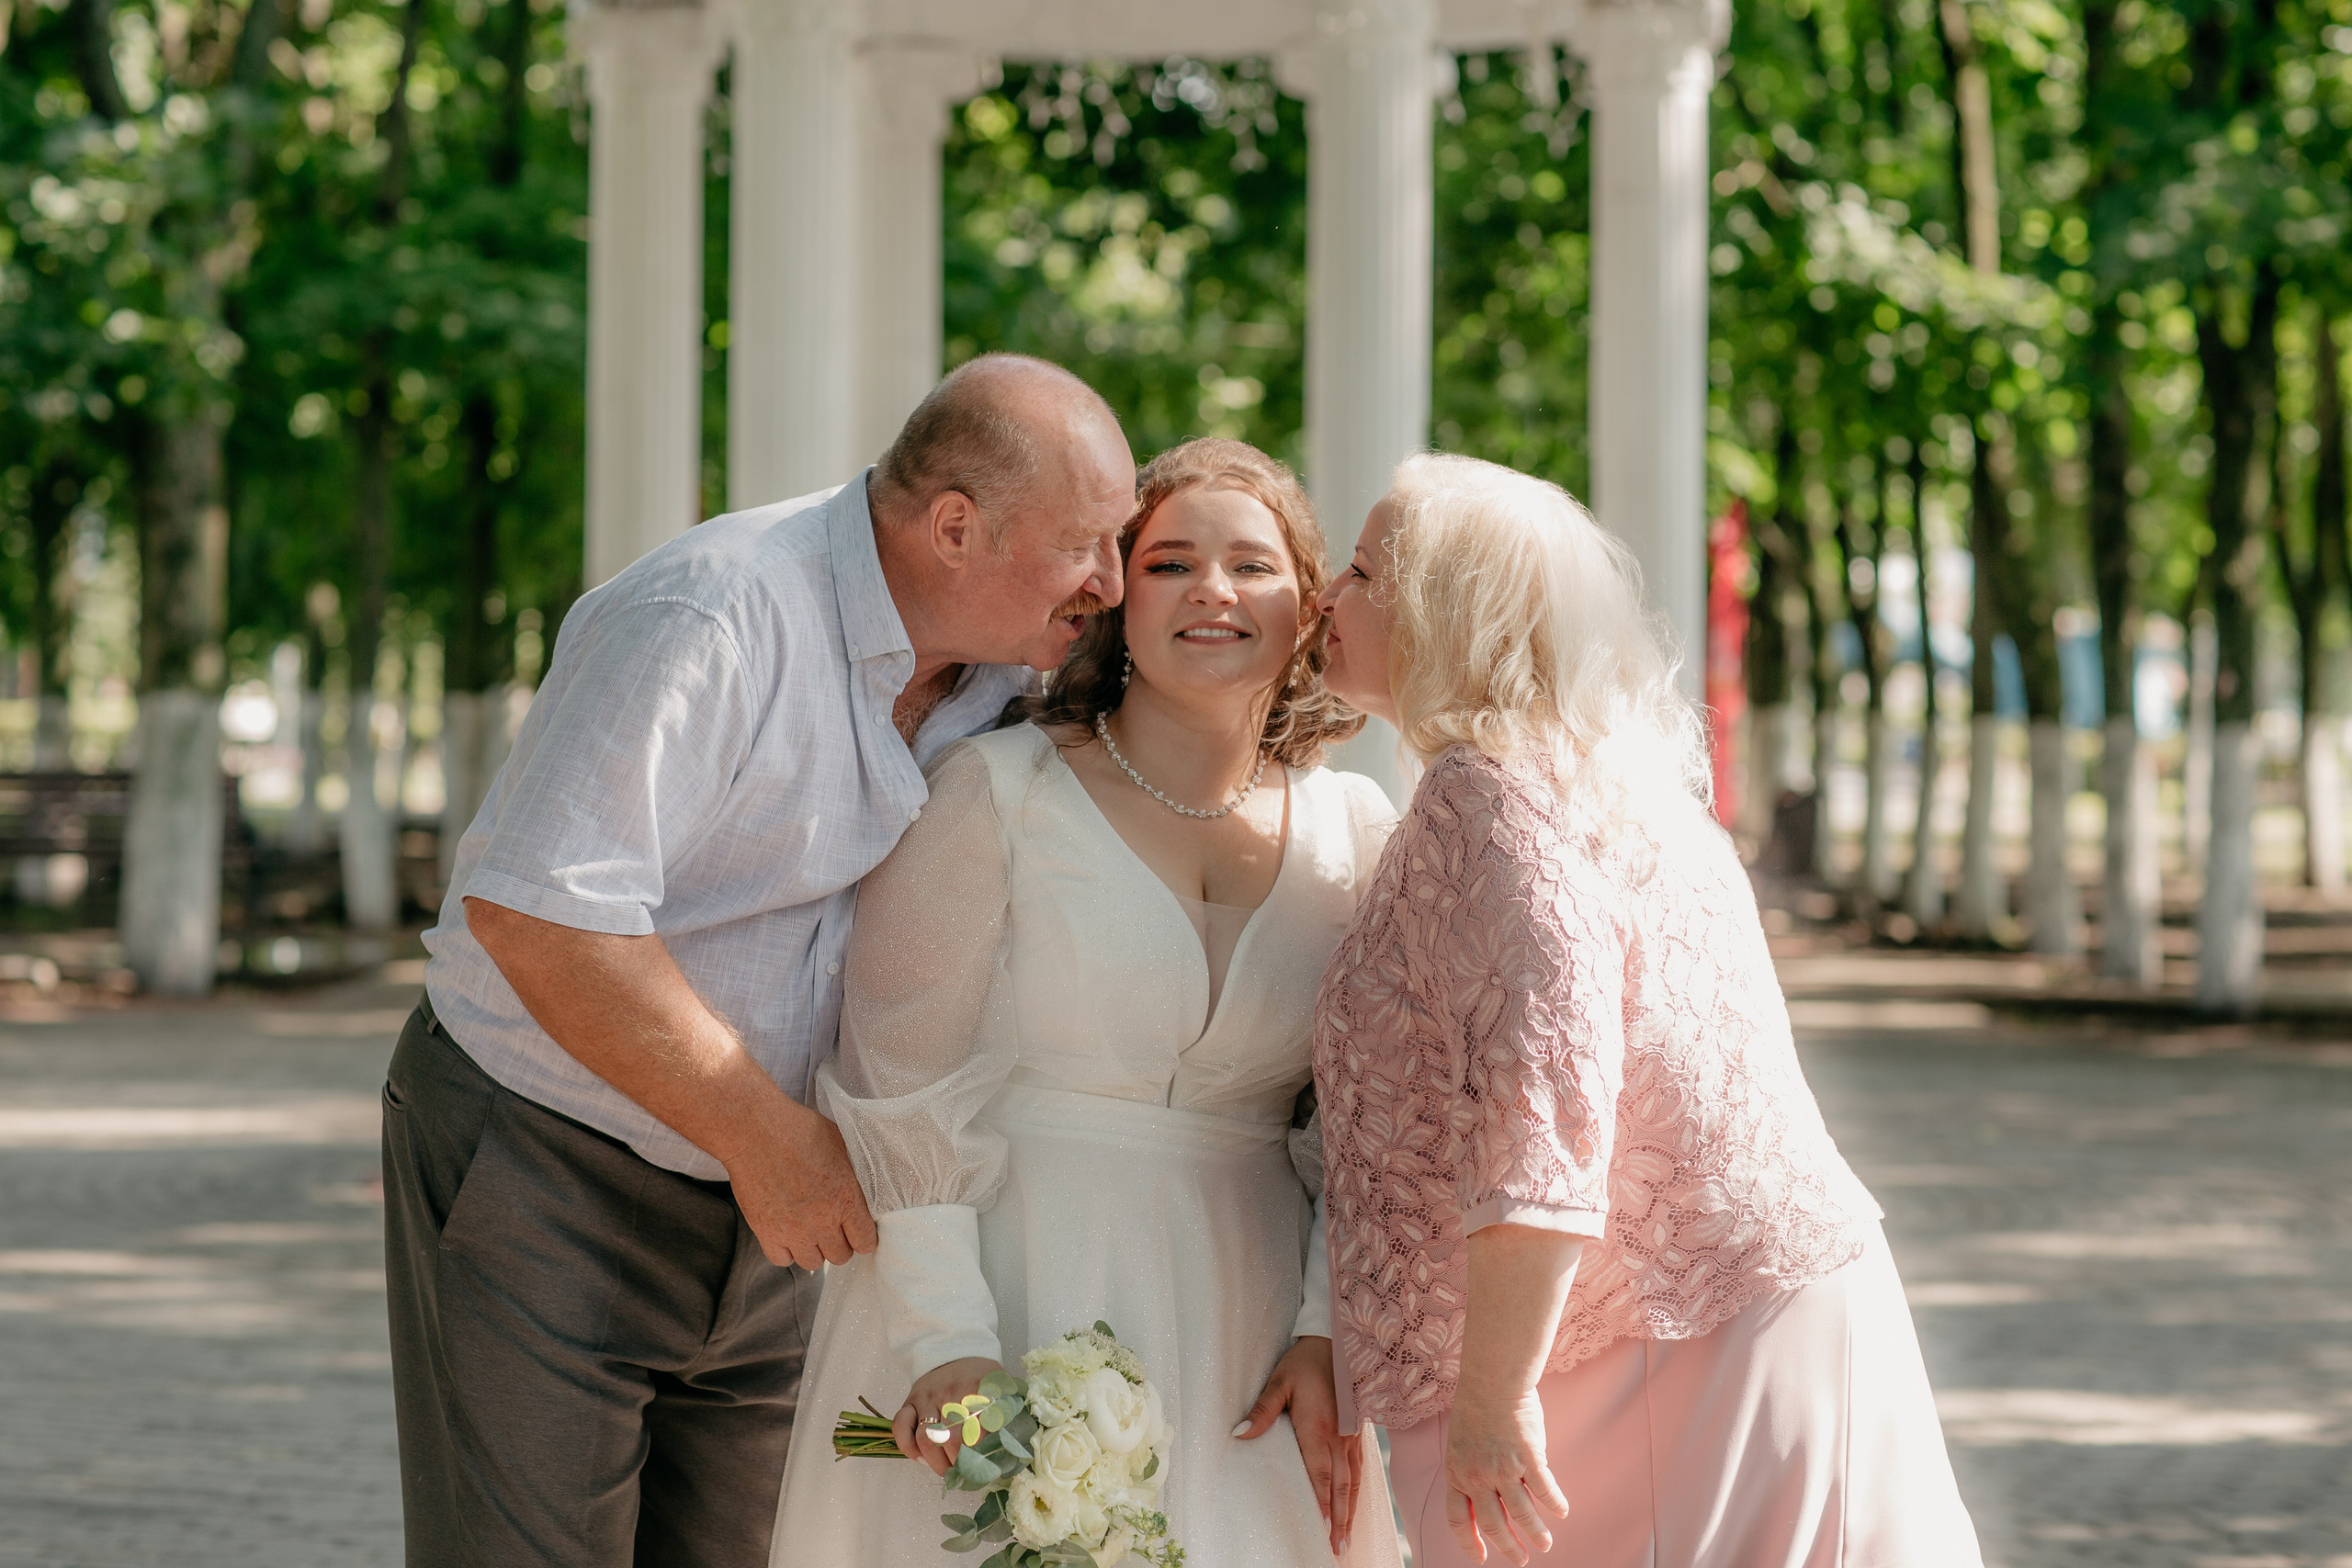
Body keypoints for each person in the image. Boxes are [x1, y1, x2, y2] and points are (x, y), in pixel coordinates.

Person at [384, 354, 1135, 1568]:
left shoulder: (1014, 671)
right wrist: (763, 1136)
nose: (1108, 581)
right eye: (1087, 543)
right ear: (956, 525)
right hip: (548, 1159)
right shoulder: (711, 611)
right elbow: (541, 916)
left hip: (784, 1208)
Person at [1308, 453, 1984, 1568]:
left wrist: (1493, 1398)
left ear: (1449, 611)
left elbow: (1549, 1104)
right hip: (1731, 1315)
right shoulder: (1600, 776)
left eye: (1364, 572)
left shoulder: (1488, 794)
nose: (1328, 595)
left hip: (1638, 1360)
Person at [771, 439, 1404, 1568]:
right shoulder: (999, 794)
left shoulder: (1359, 837)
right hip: (1007, 1285)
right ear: (1113, 595)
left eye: (1251, 565)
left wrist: (1325, 1332)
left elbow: (1370, 1134)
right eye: (1169, 563)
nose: (1212, 591)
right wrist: (946, 1348)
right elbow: (901, 1091)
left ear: (1307, 605)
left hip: (1250, 1325)